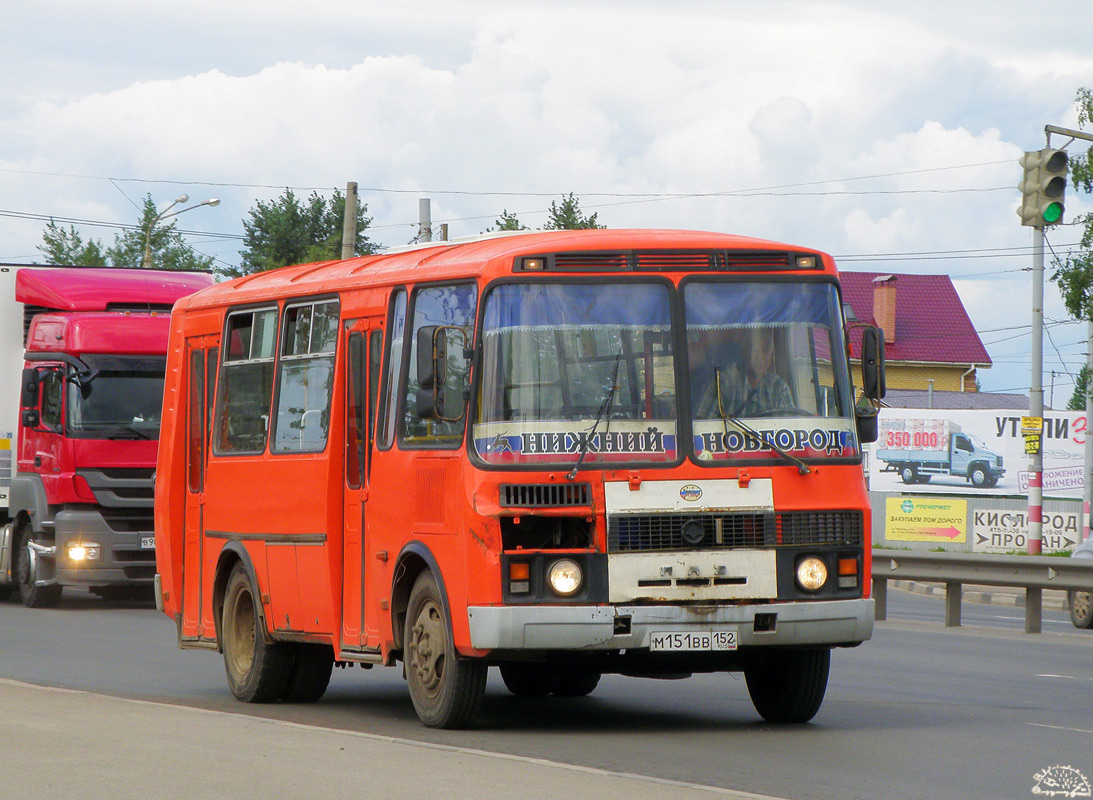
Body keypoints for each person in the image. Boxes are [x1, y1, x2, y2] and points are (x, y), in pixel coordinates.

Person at [741, 328, 793, 415]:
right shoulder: (726, 383)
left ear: (771, 354)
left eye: (765, 351)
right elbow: (710, 424)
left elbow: (790, 424)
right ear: (745, 351)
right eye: (755, 351)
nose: (760, 357)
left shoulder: (778, 386)